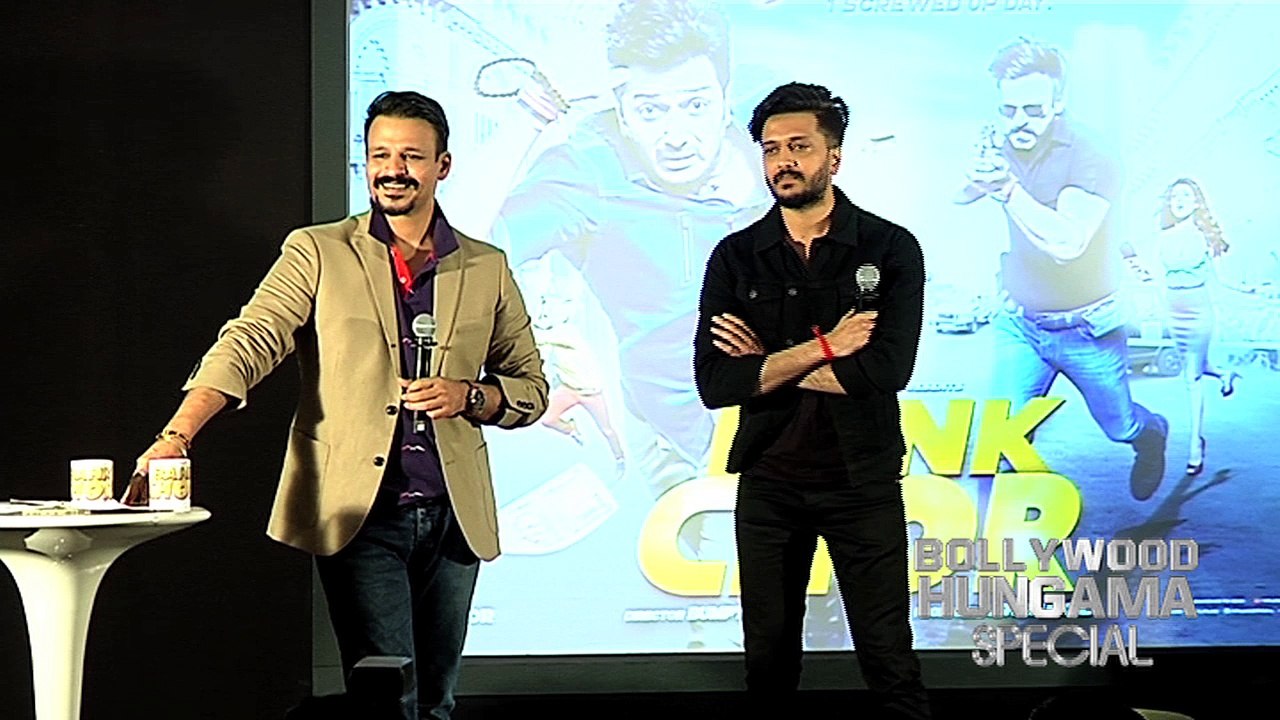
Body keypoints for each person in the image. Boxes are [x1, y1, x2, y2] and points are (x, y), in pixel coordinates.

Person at [132, 91, 547, 720]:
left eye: (411, 156)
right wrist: (178, 434)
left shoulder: (485, 266)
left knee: (436, 702)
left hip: (453, 517)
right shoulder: (319, 250)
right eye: (379, 155)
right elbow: (251, 339)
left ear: (443, 165)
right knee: (387, 699)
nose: (392, 169)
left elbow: (530, 388)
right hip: (362, 513)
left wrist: (470, 395)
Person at [489, 0, 771, 646]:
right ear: (621, 107)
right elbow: (462, 252)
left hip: (783, 427)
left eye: (695, 105)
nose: (676, 134)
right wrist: (525, 125)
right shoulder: (588, 172)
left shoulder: (773, 158)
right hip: (669, 433)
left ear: (725, 97)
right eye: (650, 110)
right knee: (710, 626)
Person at [694, 82, 931, 718]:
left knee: (889, 657)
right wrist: (823, 348)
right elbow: (716, 383)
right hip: (769, 482)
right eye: (771, 149)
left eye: (799, 146)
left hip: (862, 481)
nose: (783, 162)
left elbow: (883, 370)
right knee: (768, 663)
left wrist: (766, 362)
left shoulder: (889, 248)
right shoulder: (736, 256)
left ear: (834, 156)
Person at [959, 37, 1169, 500]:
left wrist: (1006, 189)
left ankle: (1152, 435)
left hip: (1088, 328)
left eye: (1033, 110)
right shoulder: (1006, 145)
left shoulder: (1093, 155)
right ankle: (1003, 533)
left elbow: (1067, 242)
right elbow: (962, 195)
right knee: (998, 441)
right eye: (1008, 110)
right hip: (1020, 324)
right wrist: (974, 176)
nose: (1019, 121)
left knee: (1121, 426)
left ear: (1059, 103)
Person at [1155, 178, 1239, 475]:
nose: (1179, 200)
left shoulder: (1205, 237)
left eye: (1186, 195)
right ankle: (1225, 374)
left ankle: (1194, 446)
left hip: (1199, 312)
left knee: (1191, 376)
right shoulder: (1163, 236)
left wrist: (1255, 290)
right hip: (1173, 312)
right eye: (1174, 195)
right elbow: (1158, 279)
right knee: (1197, 366)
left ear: (1196, 202)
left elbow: (1223, 280)